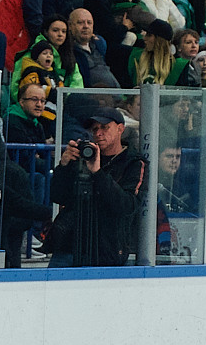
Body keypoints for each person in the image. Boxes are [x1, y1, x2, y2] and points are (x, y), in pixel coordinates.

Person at [50, 104, 145, 267]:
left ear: (120, 129)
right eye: (94, 129)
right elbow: (58, 196)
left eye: (105, 128)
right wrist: (64, 166)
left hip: (107, 249)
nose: (99, 133)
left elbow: (127, 205)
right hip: (69, 244)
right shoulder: (82, 156)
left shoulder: (133, 163)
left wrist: (97, 172)